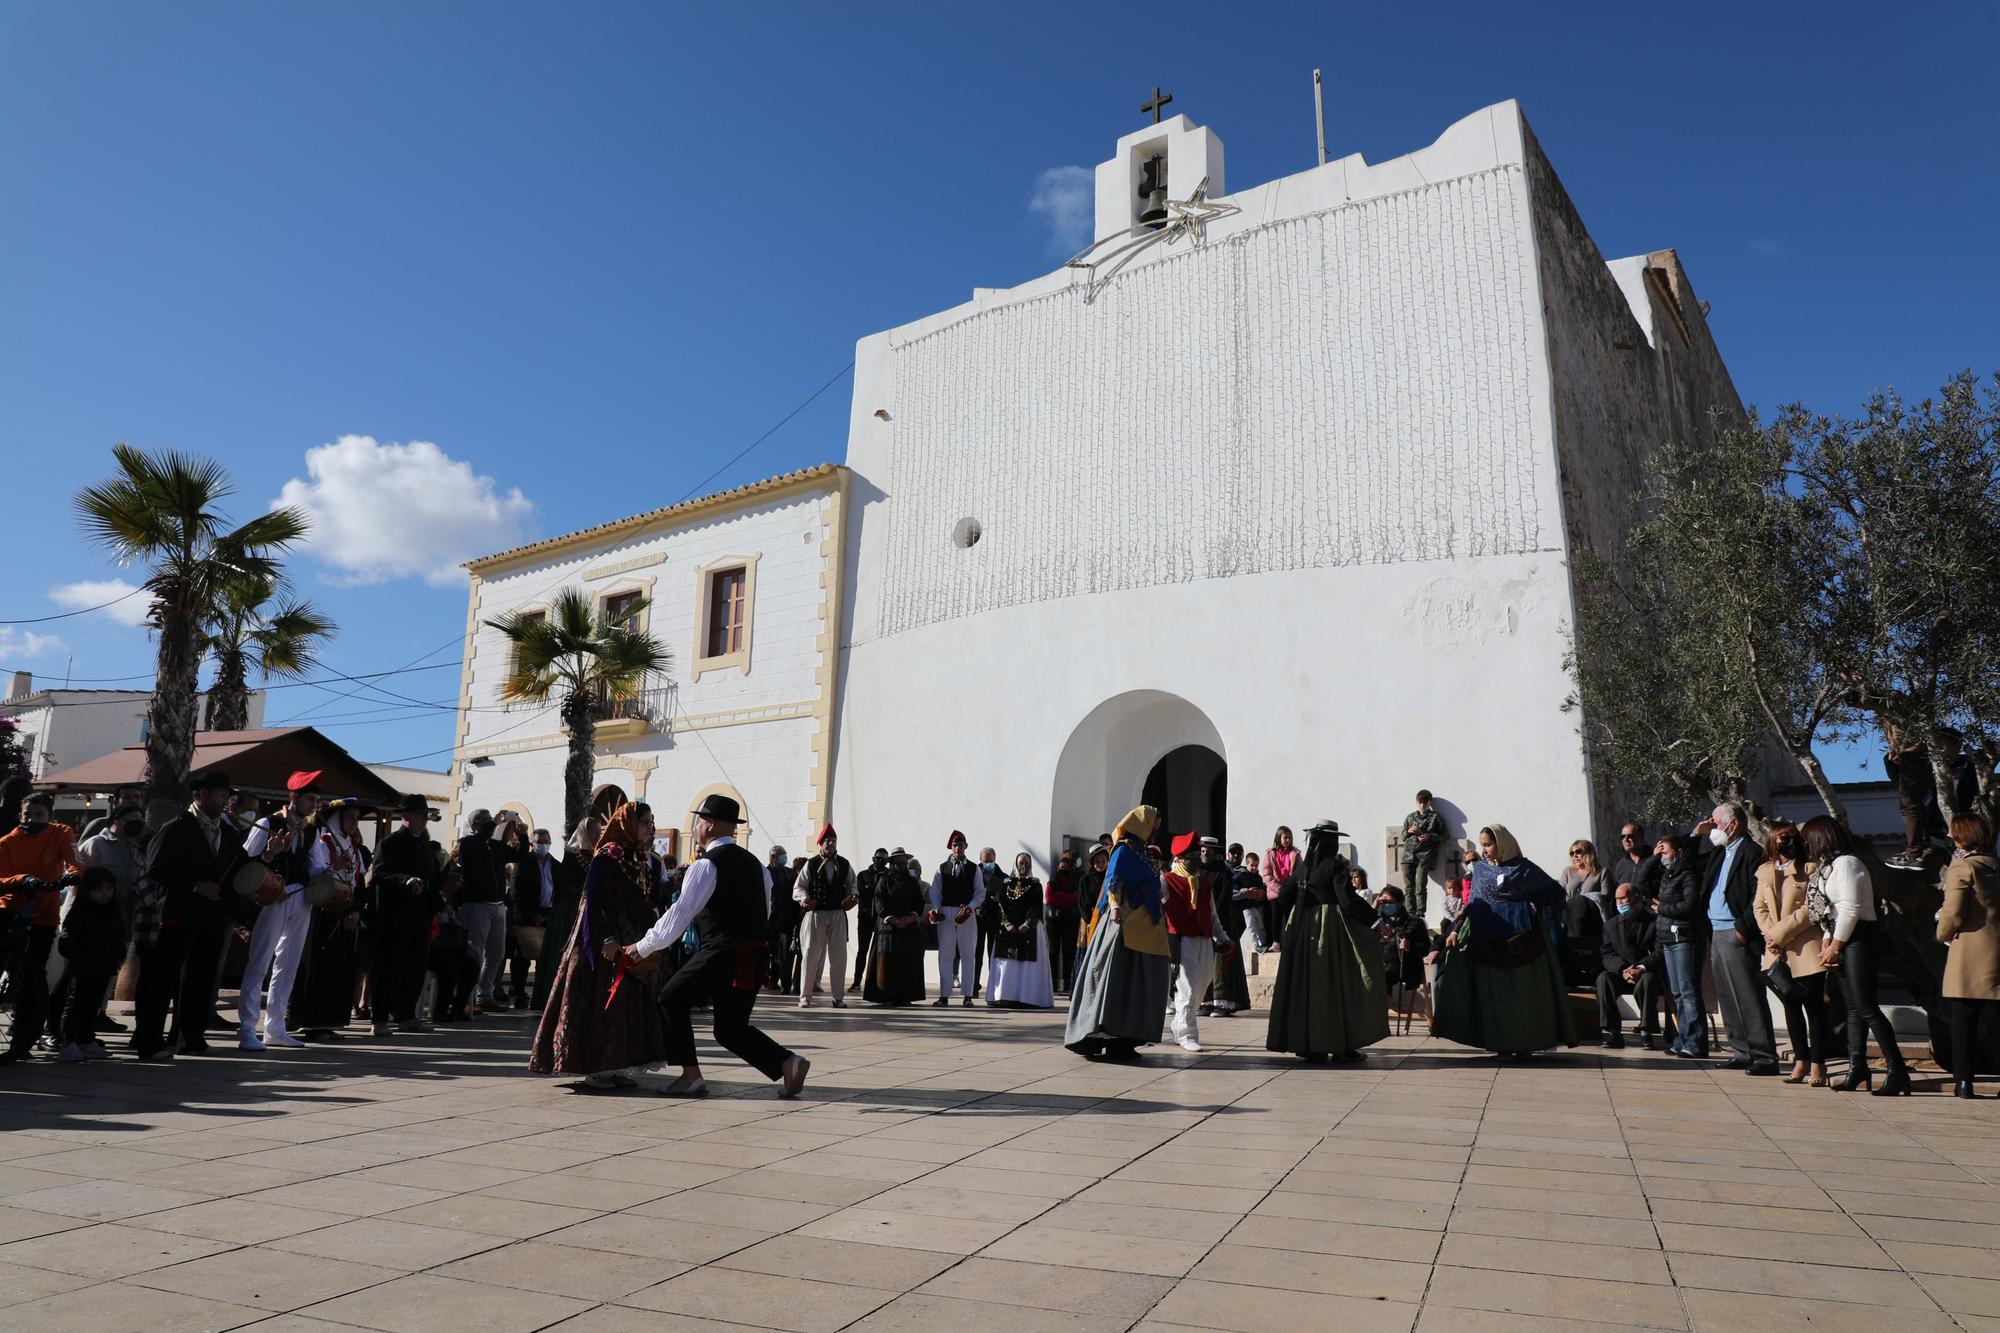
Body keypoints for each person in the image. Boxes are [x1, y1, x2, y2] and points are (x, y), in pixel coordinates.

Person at [626, 794, 809, 1099]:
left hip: (723, 951)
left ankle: (690, 1076)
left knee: (671, 998)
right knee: (730, 1028)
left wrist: (643, 946)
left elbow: (679, 914)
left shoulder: (706, 865)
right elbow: (764, 909)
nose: (697, 826)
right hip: (754, 954)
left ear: (709, 825)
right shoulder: (756, 865)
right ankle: (788, 1062)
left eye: (699, 820)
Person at [531, 802, 670, 1091]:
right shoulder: (607, 857)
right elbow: (592, 901)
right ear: (629, 824)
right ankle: (595, 1067)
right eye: (646, 822)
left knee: (626, 1004)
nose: (650, 828)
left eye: (652, 822)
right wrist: (605, 938)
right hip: (603, 939)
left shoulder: (639, 858)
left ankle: (617, 1064)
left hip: (631, 938)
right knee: (601, 1001)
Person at [1432, 823, 1576, 1058]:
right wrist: (1456, 930)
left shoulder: (1525, 869)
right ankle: (1499, 1042)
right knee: (1494, 996)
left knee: (1522, 996)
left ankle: (1525, 1043)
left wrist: (1533, 905)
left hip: (1523, 942)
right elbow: (1472, 904)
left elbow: (1556, 893)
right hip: (1488, 941)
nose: (1485, 849)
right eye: (1482, 845)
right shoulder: (1480, 871)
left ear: (1503, 844)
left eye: (1489, 844)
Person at [133, 771, 245, 1060]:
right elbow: (156, 868)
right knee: (163, 978)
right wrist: (195, 886)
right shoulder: (176, 826)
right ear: (201, 795)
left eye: (226, 796)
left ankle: (189, 1037)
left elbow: (240, 869)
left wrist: (269, 855)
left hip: (212, 917)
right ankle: (150, 1042)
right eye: (220, 795)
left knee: (201, 978)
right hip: (177, 913)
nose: (224, 802)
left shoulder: (229, 833)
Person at [1800, 816, 1910, 1095]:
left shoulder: (1848, 864)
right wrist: (1828, 944)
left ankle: (1896, 1070)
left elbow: (1850, 909)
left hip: (1859, 937)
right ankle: (1857, 1066)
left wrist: (1835, 946)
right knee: (1852, 1008)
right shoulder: (1829, 868)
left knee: (1866, 1007)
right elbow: (1829, 913)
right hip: (1841, 936)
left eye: (1809, 839)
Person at [1264, 820, 1386, 1060]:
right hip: (1328, 929)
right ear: (1330, 842)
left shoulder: (1302, 869)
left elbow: (1284, 895)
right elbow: (1348, 900)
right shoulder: (1334, 866)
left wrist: (1304, 904)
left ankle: (1310, 1045)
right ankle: (1342, 1046)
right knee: (1337, 984)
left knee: (1307, 986)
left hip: (1301, 931)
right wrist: (1375, 921)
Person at [1065, 805, 1170, 1061]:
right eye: (1153, 824)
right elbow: (1113, 880)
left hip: (1147, 926)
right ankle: (1107, 1036)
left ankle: (1127, 1038)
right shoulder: (1123, 850)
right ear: (1142, 824)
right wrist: (1113, 907)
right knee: (1115, 981)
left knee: (1140, 983)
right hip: (1122, 924)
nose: (1156, 830)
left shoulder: (1144, 853)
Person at [1691, 803, 1779, 1076]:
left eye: (1716, 824)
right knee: (1727, 996)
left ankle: (1764, 1056)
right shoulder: (1719, 853)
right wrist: (1696, 835)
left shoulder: (1752, 853)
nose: (1713, 829)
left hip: (1737, 932)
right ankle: (1741, 1051)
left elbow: (1758, 896)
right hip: (1716, 932)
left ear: (1734, 824)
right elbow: (1689, 866)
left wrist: (1744, 927)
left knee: (1748, 994)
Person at [239, 771, 323, 1050]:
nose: (314, 804)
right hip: (273, 897)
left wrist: (333, 868)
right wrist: (270, 854)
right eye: (310, 799)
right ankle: (247, 1029)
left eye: (317, 799)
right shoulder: (267, 823)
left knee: (288, 965)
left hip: (301, 899)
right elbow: (246, 862)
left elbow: (314, 866)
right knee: (259, 962)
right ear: (293, 797)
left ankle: (275, 1027)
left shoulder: (312, 830)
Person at [0, 791, 82, 1062]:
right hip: (10, 908)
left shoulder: (61, 833)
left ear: (49, 816)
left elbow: (74, 861)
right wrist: (23, 879)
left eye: (38, 815)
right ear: (19, 815)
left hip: (45, 913)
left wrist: (72, 876)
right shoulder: (7, 842)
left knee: (32, 980)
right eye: (27, 815)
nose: (32, 820)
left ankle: (22, 1038)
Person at [1752, 820, 1829, 1086]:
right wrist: (1770, 934)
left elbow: (1811, 908)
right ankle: (1800, 1059)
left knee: (1814, 1008)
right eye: (1782, 837)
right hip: (1777, 950)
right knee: (1790, 1005)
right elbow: (1759, 908)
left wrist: (1780, 934)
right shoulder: (1764, 871)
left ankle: (1818, 1063)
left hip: (1804, 947)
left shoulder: (1810, 869)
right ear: (1772, 841)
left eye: (1792, 836)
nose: (1788, 842)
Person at [288, 797, 368, 1042]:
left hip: (346, 916)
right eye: (350, 817)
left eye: (357, 818)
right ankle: (311, 1023)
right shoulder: (323, 843)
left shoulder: (354, 848)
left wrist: (356, 911)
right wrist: (335, 865)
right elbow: (318, 876)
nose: (354, 822)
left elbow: (360, 883)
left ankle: (330, 1021)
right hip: (323, 915)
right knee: (318, 970)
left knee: (339, 971)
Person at [365, 795, 446, 1037]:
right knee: (389, 968)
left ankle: (407, 1016)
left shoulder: (425, 845)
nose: (424, 820)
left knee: (415, 968)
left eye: (425, 816)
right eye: (420, 815)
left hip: (420, 917)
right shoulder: (390, 843)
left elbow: (433, 878)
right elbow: (378, 874)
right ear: (407, 817)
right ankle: (379, 1019)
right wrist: (405, 881)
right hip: (394, 917)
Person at [1937, 812, 1999, 1099]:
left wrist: (1941, 933)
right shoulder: (1994, 866)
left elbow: (1953, 913)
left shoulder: (1963, 868)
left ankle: (1964, 1082)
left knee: (1964, 1020)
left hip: (1969, 951)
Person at [75, 803, 146, 1034]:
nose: (137, 822)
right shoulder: (96, 844)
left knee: (111, 969)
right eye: (131, 818)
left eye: (140, 817)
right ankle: (78, 1022)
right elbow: (79, 883)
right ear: (116, 820)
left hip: (121, 919)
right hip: (92, 919)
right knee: (85, 972)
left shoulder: (135, 848)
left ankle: (99, 1014)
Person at [1158, 833, 1230, 1050]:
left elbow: (1212, 915)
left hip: (1204, 940)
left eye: (1198, 855)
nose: (1197, 859)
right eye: (1192, 856)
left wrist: (1223, 937)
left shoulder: (1204, 883)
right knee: (1187, 989)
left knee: (1202, 986)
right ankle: (1188, 1035)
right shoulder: (1166, 880)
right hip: (1181, 940)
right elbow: (1154, 907)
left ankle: (1179, 1024)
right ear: (1180, 858)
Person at [54, 866, 126, 1062]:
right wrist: (79, 957)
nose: (105, 894)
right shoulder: (80, 912)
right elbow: (68, 941)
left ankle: (86, 1040)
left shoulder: (112, 910)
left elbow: (119, 935)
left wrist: (119, 955)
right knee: (76, 1004)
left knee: (93, 1004)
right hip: (82, 967)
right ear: (89, 890)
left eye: (109, 888)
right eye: (100, 889)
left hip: (105, 965)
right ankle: (68, 1043)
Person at [1652, 833, 1707, 1058]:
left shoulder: (1688, 874)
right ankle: (1682, 1038)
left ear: (1679, 852)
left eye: (1665, 850)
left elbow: (1689, 905)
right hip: (1668, 938)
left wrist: (1662, 909)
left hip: (1685, 938)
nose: (1662, 854)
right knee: (1677, 993)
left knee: (1688, 991)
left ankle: (1695, 1042)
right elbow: (1643, 881)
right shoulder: (1667, 874)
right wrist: (1654, 857)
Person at [451, 808, 510, 1016]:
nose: (488, 825)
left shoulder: (494, 846)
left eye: (489, 821)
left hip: (497, 905)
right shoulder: (468, 844)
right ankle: (465, 997)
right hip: (477, 905)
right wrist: (494, 823)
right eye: (483, 822)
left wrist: (521, 833)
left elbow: (517, 854)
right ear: (475, 826)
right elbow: (482, 837)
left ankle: (484, 995)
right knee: (475, 953)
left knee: (496, 953)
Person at [1595, 883, 1663, 1049]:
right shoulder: (1611, 925)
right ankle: (1613, 1032)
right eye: (1617, 899)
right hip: (1622, 972)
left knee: (1648, 980)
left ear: (1636, 897)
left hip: (1644, 972)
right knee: (1604, 979)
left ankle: (1646, 1032)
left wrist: (1640, 968)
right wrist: (1623, 970)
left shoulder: (1654, 923)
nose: (1620, 903)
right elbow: (1607, 953)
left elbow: (1660, 951)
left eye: (1623, 898)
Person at [795, 825, 855, 1008]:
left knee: (839, 957)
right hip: (816, 914)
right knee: (811, 955)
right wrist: (805, 900)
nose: (831, 843)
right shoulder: (811, 864)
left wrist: (854, 897)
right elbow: (799, 887)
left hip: (837, 913)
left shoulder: (844, 864)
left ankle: (838, 998)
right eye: (827, 841)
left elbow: (853, 884)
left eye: (833, 841)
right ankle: (805, 997)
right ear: (821, 844)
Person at [988, 852, 1052, 1008]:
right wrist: (1007, 923)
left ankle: (1027, 997)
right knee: (1007, 962)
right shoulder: (1007, 884)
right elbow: (1001, 905)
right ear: (1016, 864)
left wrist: (1027, 923)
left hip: (1028, 929)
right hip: (1008, 929)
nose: (1023, 867)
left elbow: (1035, 906)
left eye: (1026, 863)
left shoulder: (1035, 885)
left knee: (1027, 964)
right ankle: (1004, 996)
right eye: (1020, 863)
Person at [864, 848, 927, 1005]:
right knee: (888, 963)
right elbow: (879, 900)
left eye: (903, 861)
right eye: (898, 861)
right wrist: (891, 918)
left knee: (907, 961)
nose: (901, 864)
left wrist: (910, 917)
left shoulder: (912, 881)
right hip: (888, 928)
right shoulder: (884, 880)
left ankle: (906, 996)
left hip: (909, 928)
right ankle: (886, 996)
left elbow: (919, 903)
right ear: (892, 863)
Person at [929, 831, 984, 1007]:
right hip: (946, 913)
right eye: (954, 845)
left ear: (966, 846)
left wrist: (970, 907)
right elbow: (935, 891)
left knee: (968, 954)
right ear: (950, 847)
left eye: (960, 844)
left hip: (966, 912)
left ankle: (968, 995)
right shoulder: (942, 868)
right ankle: (944, 994)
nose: (957, 847)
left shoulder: (974, 868)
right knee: (945, 954)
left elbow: (980, 892)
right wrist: (936, 908)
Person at [1203, 838, 1251, 1018]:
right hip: (1202, 924)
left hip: (1221, 923)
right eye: (1202, 850)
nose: (1204, 853)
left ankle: (1222, 1003)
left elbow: (1223, 900)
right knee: (1205, 963)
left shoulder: (1223, 873)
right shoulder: (1198, 872)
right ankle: (1206, 1001)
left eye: (1207, 850)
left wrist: (1216, 924)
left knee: (1221, 965)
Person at [1375, 884, 1429, 1033]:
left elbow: (1425, 947)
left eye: (1390, 902)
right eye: (1383, 902)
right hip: (1380, 963)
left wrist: (1410, 946)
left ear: (1400, 903)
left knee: (1383, 975)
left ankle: (1379, 1021)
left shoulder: (1415, 922)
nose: (1386, 905)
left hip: (1405, 965)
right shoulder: (1377, 922)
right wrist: (1374, 907)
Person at [1400, 792, 1445, 919]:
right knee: (1409, 887)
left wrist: (1430, 836)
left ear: (1430, 802)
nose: (1422, 805)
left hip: (1424, 856)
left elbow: (1444, 836)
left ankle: (1420, 914)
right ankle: (1410, 913)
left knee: (1420, 886)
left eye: (1425, 802)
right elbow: (1403, 835)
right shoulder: (1410, 817)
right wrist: (1409, 831)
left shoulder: (1435, 817)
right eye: (1419, 802)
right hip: (1408, 855)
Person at [1044, 849, 1082, 995]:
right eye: (1061, 867)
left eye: (1066, 867)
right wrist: (1066, 897)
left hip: (1071, 920)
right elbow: (1050, 899)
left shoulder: (1076, 881)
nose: (1063, 869)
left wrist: (1060, 896)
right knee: (1053, 952)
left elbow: (1076, 899)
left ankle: (1068, 983)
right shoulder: (1052, 882)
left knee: (1069, 952)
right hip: (1054, 921)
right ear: (1057, 868)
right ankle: (1052, 983)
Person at [851, 847, 889, 993]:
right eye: (878, 858)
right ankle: (856, 982)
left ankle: (878, 983)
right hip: (865, 917)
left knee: (880, 952)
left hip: (881, 919)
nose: (880, 861)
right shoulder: (863, 875)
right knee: (863, 950)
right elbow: (860, 891)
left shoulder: (888, 875)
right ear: (873, 858)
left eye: (883, 859)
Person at [1258, 825, 1299, 952]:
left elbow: (1299, 872)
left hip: (1290, 892)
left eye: (1290, 838)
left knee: (1290, 918)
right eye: (1285, 837)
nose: (1288, 840)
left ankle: (1290, 942)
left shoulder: (1295, 854)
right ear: (1278, 838)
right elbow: (1267, 875)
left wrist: (1290, 889)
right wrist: (1280, 889)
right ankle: (1276, 942)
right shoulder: (1270, 854)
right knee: (1275, 917)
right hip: (1276, 892)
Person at [974, 847, 1006, 996]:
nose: (988, 864)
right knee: (976, 954)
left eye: (991, 861)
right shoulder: (973, 874)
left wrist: (1001, 898)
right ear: (980, 860)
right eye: (986, 861)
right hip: (977, 919)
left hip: (994, 919)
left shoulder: (1003, 877)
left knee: (993, 954)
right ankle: (973, 986)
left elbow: (1009, 897)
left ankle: (994, 987)